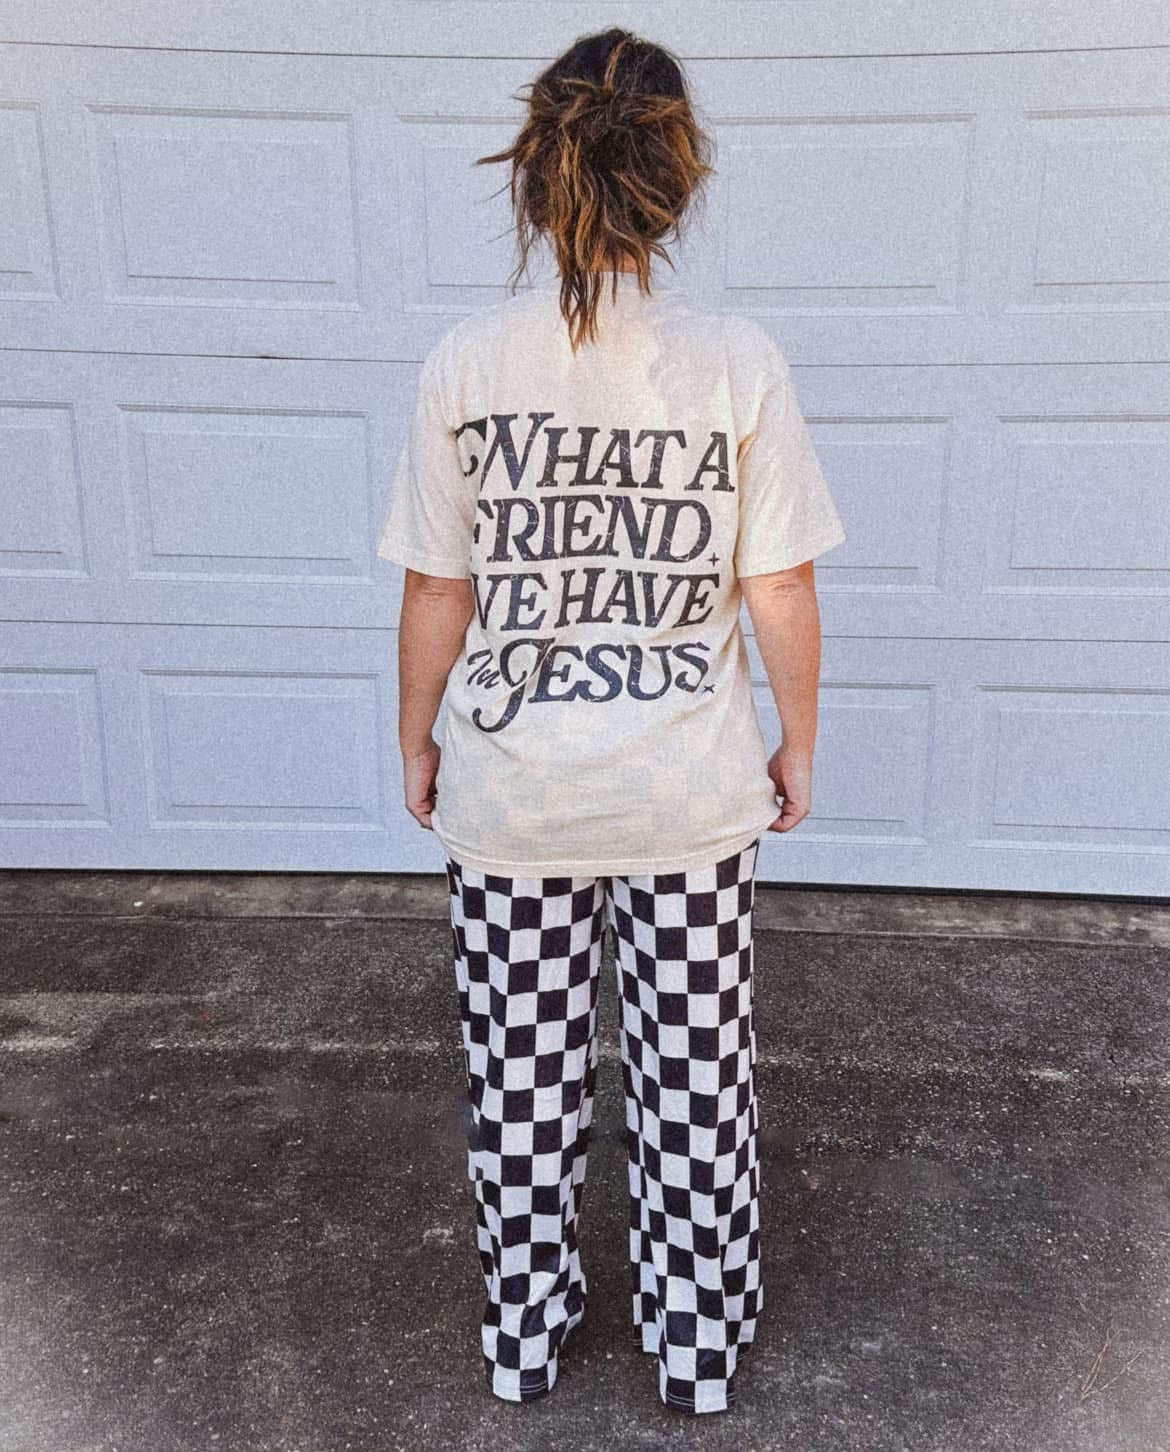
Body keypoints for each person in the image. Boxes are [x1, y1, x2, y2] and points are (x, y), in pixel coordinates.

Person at [376, 26, 846, 1417]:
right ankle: (694, 1353)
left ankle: (525, 1341)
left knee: (519, 1085)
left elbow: (436, 584)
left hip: (513, 799)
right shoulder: (736, 360)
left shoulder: (469, 359)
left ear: (533, 175)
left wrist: (416, 739)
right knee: (695, 1082)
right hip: (685, 799)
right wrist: (798, 743)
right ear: (679, 181)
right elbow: (779, 582)